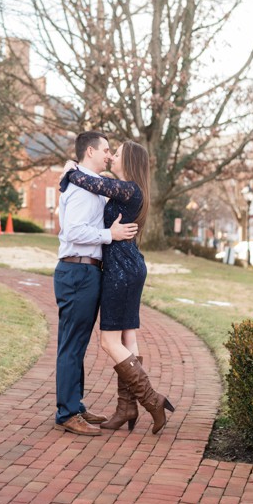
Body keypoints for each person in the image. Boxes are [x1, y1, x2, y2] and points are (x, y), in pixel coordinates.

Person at [60, 140, 175, 434]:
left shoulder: (128, 188)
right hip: (129, 266)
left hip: (121, 271)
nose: (112, 157)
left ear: (130, 160)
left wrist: (70, 171)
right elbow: (98, 184)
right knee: (127, 338)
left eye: (118, 154)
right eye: (109, 151)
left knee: (108, 342)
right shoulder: (128, 188)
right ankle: (126, 407)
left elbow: (89, 181)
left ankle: (151, 400)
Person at [54, 130, 139, 436]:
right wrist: (109, 236)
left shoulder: (89, 185)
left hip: (87, 272)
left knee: (77, 344)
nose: (109, 155)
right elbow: (73, 232)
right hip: (77, 271)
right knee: (71, 345)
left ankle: (74, 406)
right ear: (90, 151)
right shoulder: (82, 190)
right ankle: (66, 413)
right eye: (105, 149)